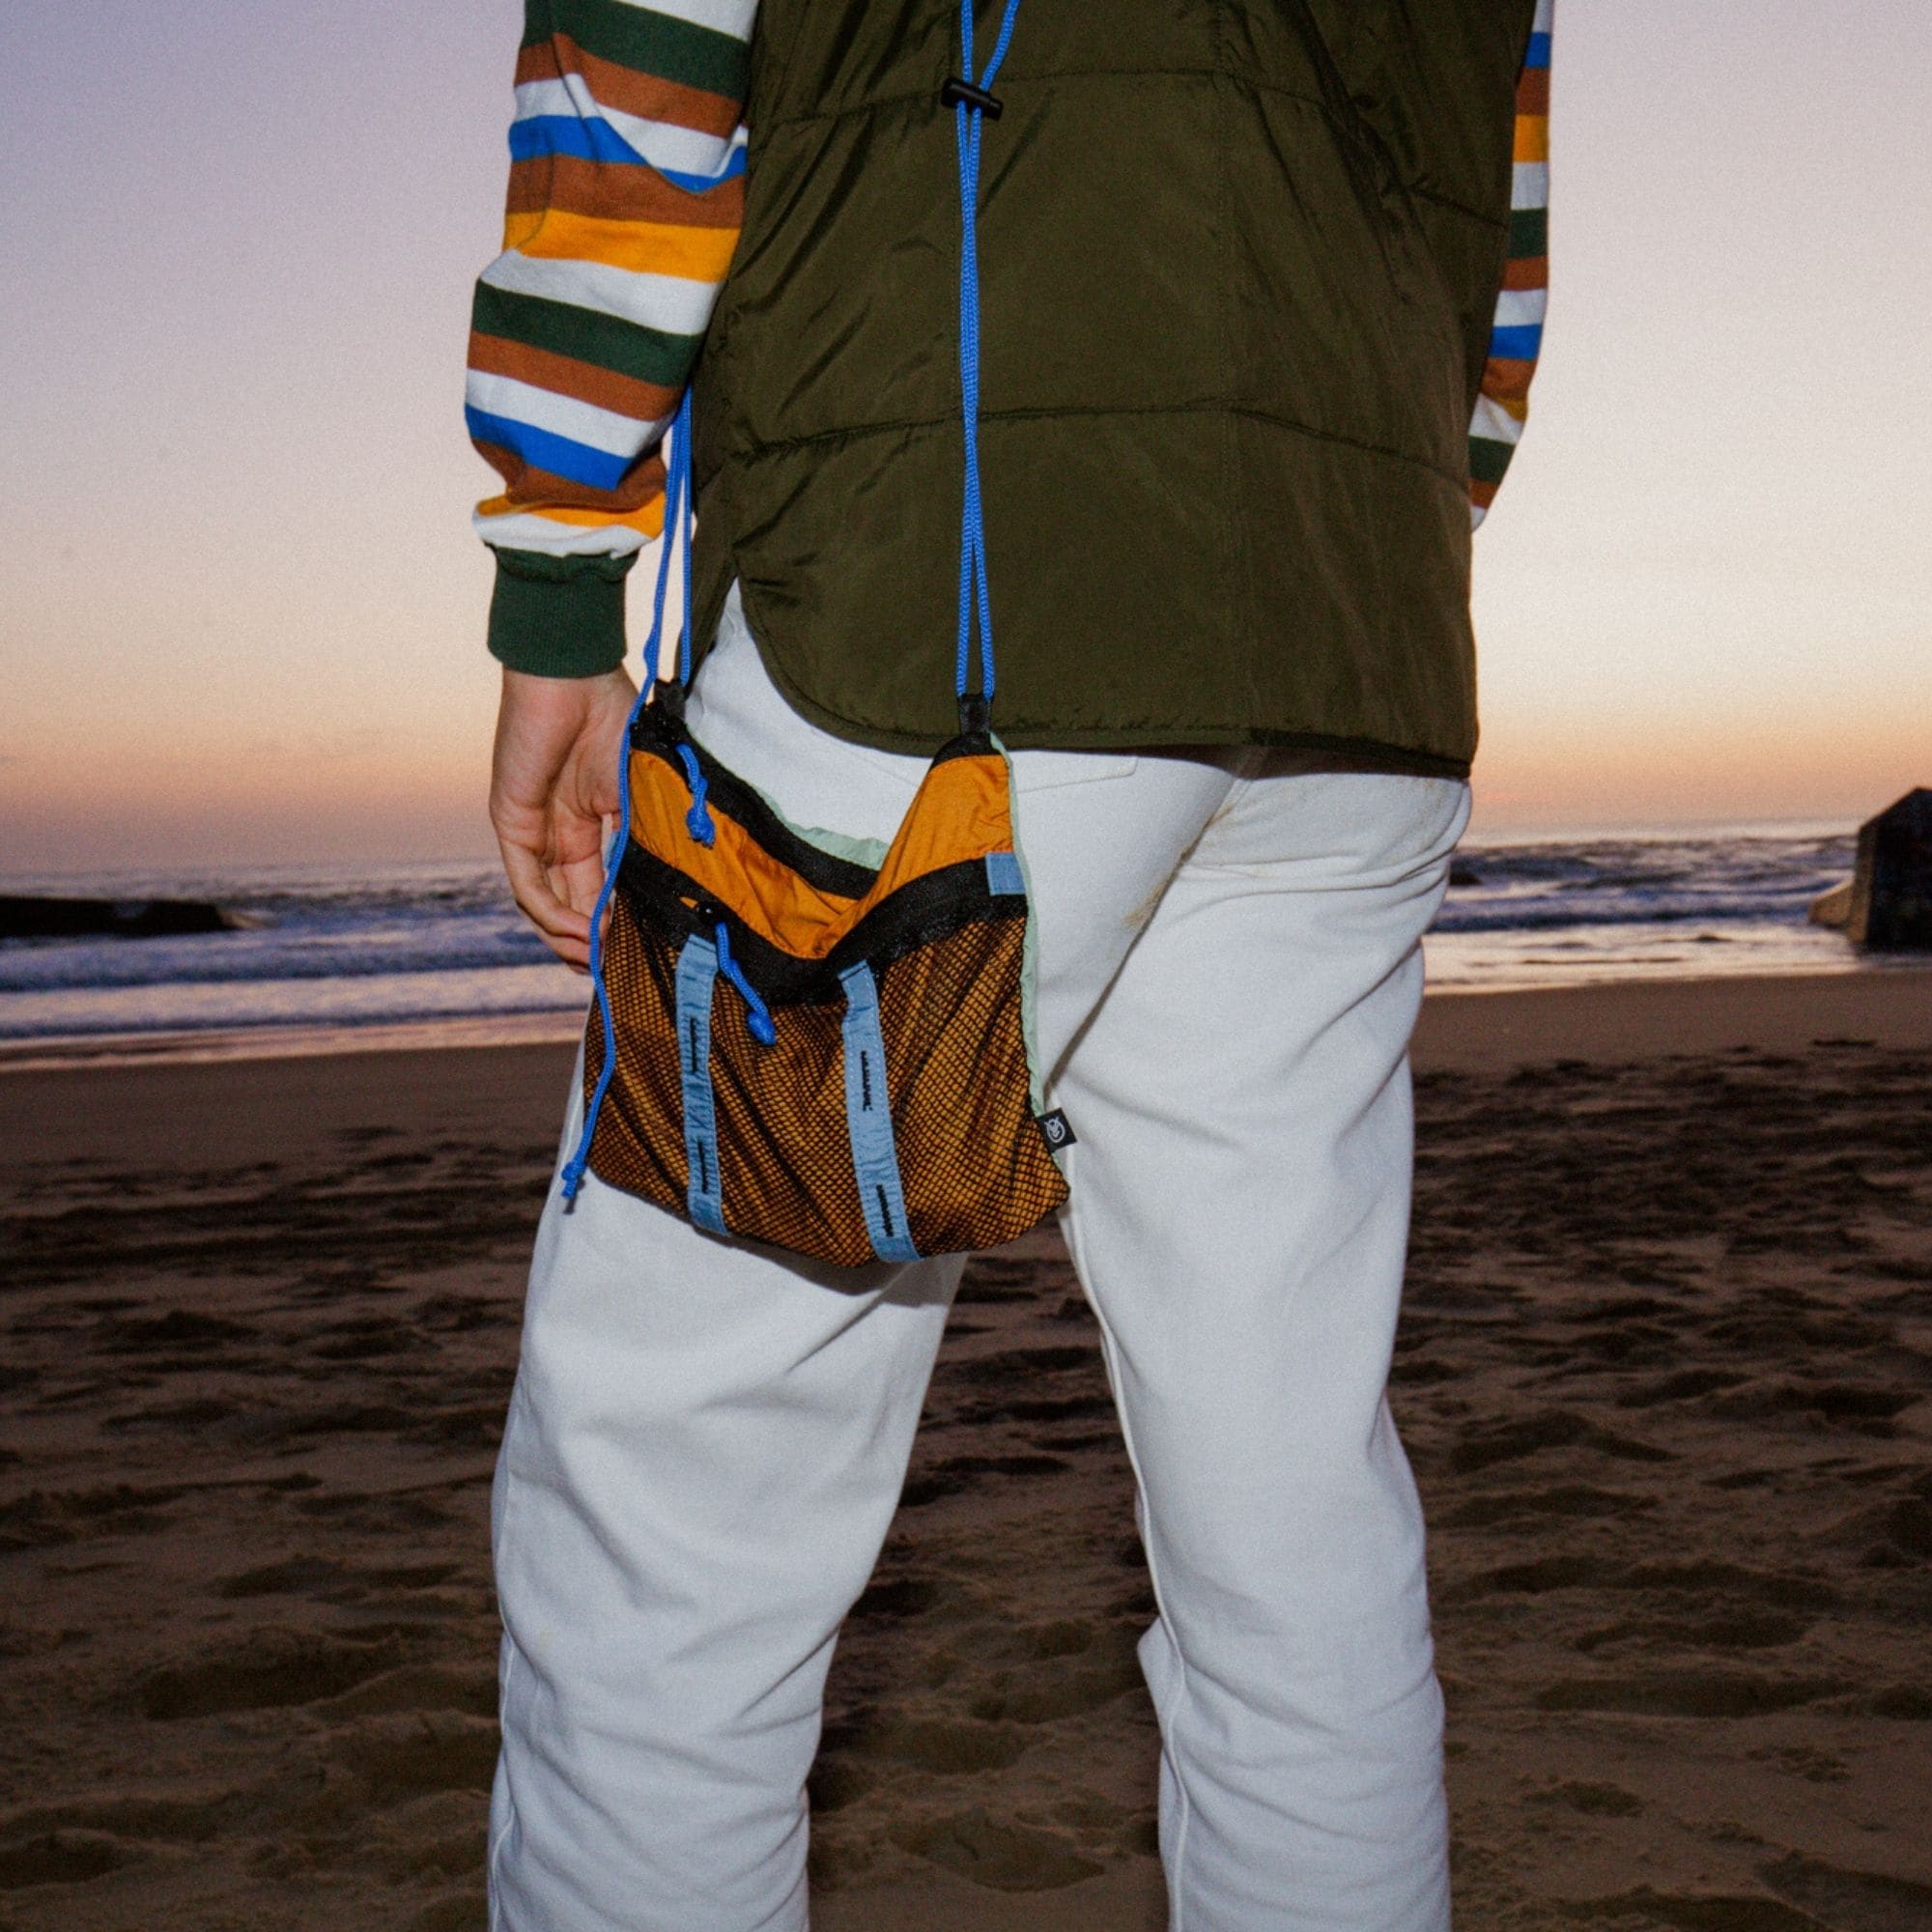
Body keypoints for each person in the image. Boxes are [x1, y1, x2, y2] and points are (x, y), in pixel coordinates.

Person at [466, 2, 1551, 1927]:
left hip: (928, 643)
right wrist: (1366, 512)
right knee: (1286, 1506)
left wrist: (559, 572)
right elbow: (1497, 239)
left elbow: (637, 66)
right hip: (1353, 634)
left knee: (677, 1522)